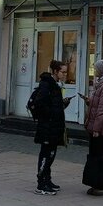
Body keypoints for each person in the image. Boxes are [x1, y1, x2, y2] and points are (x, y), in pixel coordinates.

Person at [32, 59, 72, 195]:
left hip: (54, 126)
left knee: (51, 154)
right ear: (55, 71)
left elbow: (54, 105)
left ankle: (47, 180)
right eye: (63, 72)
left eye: (66, 72)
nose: (65, 75)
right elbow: (40, 104)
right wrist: (52, 113)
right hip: (47, 126)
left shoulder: (56, 85)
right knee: (46, 154)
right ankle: (41, 184)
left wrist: (63, 104)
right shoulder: (47, 85)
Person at [82, 59, 103, 196]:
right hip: (97, 128)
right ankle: (97, 183)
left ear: (102, 70)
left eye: (96, 68)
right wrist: (89, 101)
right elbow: (98, 105)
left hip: (102, 130)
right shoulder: (100, 85)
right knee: (96, 155)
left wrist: (96, 129)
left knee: (101, 157)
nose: (94, 70)